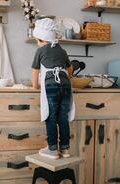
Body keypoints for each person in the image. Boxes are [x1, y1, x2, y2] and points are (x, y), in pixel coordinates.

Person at [31, 18, 75, 160]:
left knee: (51, 116)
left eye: (37, 40)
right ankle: (65, 148)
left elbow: (35, 71)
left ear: (42, 39)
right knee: (63, 117)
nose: (37, 43)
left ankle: (52, 149)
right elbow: (70, 69)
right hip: (65, 84)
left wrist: (34, 86)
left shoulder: (40, 50)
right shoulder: (62, 50)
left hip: (51, 85)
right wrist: (67, 78)